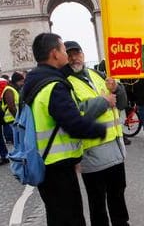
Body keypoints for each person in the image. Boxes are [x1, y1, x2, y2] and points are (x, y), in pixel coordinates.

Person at [23, 33, 106, 226]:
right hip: (58, 168)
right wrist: (99, 130)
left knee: (58, 218)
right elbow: (74, 123)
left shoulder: (34, 81)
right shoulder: (54, 86)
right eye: (62, 50)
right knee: (72, 219)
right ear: (54, 53)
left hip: (46, 162)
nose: (67, 55)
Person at [63, 41, 130, 226]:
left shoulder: (97, 74)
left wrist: (118, 89)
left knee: (118, 194)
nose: (74, 57)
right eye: (69, 54)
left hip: (115, 148)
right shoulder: (65, 82)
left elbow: (122, 103)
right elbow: (76, 112)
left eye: (77, 53)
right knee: (97, 201)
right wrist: (104, 101)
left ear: (83, 54)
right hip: (91, 153)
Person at [1, 71, 25, 143]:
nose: (22, 83)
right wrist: (18, 119)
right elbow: (11, 107)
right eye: (21, 81)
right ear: (16, 81)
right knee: (17, 143)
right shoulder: (9, 90)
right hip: (11, 120)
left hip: (13, 120)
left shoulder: (12, 89)